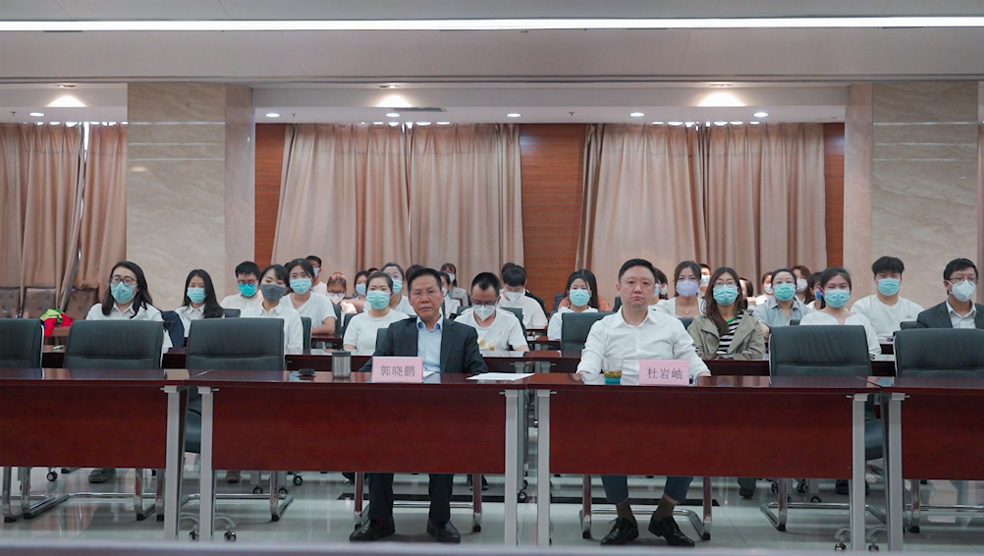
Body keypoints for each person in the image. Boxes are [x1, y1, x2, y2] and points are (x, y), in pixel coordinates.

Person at [576, 258, 709, 547]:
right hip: (616, 411)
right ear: (618, 288)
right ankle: (624, 517)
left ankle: (664, 513)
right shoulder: (603, 327)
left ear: (655, 289)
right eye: (631, 283)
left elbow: (692, 360)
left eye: (645, 283)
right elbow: (589, 364)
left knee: (694, 440)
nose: (638, 289)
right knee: (604, 440)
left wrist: (703, 376)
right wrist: (584, 375)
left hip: (665, 411)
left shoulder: (671, 326)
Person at [351, 268, 487, 544]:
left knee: (443, 440)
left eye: (430, 292)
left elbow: (478, 373)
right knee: (378, 439)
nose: (424, 298)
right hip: (400, 412)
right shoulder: (396, 331)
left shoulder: (463, 333)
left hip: (443, 413)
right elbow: (370, 369)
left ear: (442, 294)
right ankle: (380, 519)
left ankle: (439, 519)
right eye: (417, 293)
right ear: (409, 299)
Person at [85, 260, 171, 484]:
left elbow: (165, 348)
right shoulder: (97, 312)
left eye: (127, 280)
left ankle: (148, 456)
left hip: (139, 382)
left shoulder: (150, 314)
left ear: (138, 286)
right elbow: (86, 347)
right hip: (103, 381)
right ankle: (105, 461)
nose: (121, 284)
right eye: (116, 279)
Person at [800, 267, 881, 357]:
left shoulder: (861, 320)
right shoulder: (809, 320)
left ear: (849, 290)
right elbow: (804, 351)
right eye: (831, 287)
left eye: (843, 287)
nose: (837, 291)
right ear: (821, 291)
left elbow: (873, 350)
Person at [688, 267, 765, 357]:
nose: (725, 287)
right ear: (712, 290)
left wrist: (730, 361)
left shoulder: (751, 322)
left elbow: (756, 353)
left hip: (742, 366)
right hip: (706, 366)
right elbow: (693, 353)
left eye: (730, 283)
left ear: (738, 290)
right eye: (719, 283)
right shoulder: (698, 323)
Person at [851, 256, 924, 338]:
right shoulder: (862, 307)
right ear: (875, 279)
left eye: (894, 276)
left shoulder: (915, 309)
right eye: (883, 276)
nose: (889, 280)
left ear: (901, 279)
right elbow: (857, 337)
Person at [454, 272, 529, 352]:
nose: (482, 307)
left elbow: (523, 351)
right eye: (477, 302)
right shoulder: (460, 322)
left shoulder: (510, 321)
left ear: (498, 300)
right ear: (471, 298)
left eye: (488, 303)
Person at [241, 263, 304, 352]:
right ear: (259, 284)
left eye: (279, 283)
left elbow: (295, 350)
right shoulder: (246, 314)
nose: (273, 286)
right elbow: (241, 346)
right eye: (268, 281)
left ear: (286, 289)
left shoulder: (292, 316)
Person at [342, 271, 409, 351]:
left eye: (383, 289)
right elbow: (349, 348)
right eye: (373, 289)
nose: (377, 293)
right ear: (366, 293)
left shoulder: (403, 320)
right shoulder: (356, 321)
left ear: (391, 294)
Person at [916, 257, 984, 329]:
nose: (966, 283)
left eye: (971, 279)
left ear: (976, 283)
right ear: (946, 284)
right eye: (959, 278)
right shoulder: (928, 318)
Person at [752, 267, 812, 341]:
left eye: (788, 282)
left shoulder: (806, 311)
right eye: (779, 282)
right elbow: (763, 331)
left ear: (795, 287)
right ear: (772, 287)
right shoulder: (762, 309)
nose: (784, 286)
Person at [286, 258, 336, 336]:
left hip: (314, 343)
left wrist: (302, 332)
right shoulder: (281, 302)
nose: (299, 279)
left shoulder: (322, 300)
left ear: (312, 278)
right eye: (294, 276)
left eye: (304, 276)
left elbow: (330, 327)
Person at [548, 270, 600, 341]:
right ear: (568, 293)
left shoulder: (597, 317)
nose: (579, 292)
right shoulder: (558, 317)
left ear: (590, 293)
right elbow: (554, 342)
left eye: (583, 288)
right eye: (575, 288)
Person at [174, 269, 224, 338]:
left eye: (201, 286)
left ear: (208, 289)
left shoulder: (217, 314)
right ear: (187, 289)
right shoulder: (180, 312)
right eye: (192, 286)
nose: (196, 290)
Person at [499, 265, 548, 329]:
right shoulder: (495, 302)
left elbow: (541, 328)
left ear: (524, 285)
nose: (513, 292)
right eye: (509, 289)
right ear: (503, 284)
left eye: (517, 290)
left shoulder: (533, 304)